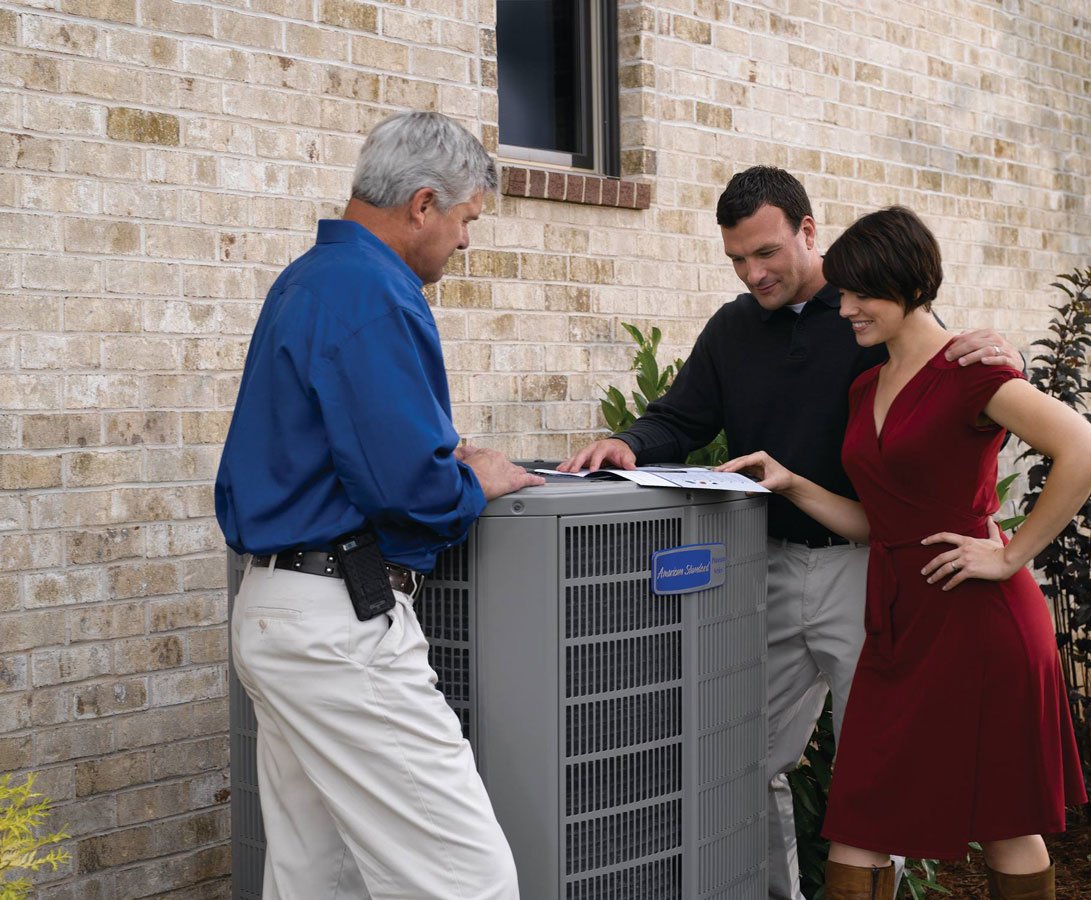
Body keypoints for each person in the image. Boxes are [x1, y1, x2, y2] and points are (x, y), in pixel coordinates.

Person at [559, 166, 1023, 900]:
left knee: (879, 771)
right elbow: (680, 419)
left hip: (870, 569)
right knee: (740, 754)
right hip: (766, 567)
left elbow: (950, 374)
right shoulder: (734, 329)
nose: (754, 273)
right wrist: (628, 444)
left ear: (810, 233)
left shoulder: (869, 317)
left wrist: (1003, 355)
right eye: (738, 260)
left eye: (767, 252)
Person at [718, 206, 1091, 900]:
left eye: (862, 295)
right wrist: (791, 481)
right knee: (862, 815)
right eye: (843, 293)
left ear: (907, 285)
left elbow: (1087, 449)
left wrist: (1011, 554)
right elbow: (880, 523)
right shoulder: (868, 383)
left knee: (1006, 824)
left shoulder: (973, 373)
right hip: (897, 624)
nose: (846, 309)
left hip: (980, 624)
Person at [215, 110, 543, 900]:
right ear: (423, 205)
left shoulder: (306, 279)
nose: (466, 241)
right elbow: (410, 492)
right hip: (340, 623)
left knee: (316, 875)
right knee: (471, 879)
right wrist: (478, 477)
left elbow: (340, 447)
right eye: (466, 220)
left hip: (276, 608)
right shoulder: (374, 293)